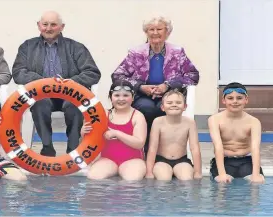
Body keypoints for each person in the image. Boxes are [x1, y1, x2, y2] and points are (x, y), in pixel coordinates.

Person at [12, 11, 101, 157]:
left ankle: (73, 149)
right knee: (39, 105)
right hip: (41, 95)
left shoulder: (76, 47)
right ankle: (47, 148)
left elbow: (92, 73)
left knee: (74, 106)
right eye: (45, 24)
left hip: (70, 95)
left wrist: (73, 82)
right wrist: (44, 82)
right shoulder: (27, 47)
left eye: (53, 24)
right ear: (39, 26)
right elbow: (18, 72)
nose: (49, 28)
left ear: (61, 27)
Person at [111, 16, 200, 155]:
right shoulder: (136, 52)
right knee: (146, 108)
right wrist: (141, 86)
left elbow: (193, 76)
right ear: (146, 32)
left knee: (164, 108)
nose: (155, 32)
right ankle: (145, 151)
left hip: (169, 95)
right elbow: (117, 75)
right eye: (151, 29)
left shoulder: (177, 52)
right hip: (142, 95)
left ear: (167, 32)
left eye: (159, 29)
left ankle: (163, 153)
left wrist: (168, 85)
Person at [81, 81, 148, 180]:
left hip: (133, 160)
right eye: (117, 95)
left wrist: (117, 133)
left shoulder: (138, 116)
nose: (121, 99)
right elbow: (90, 140)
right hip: (107, 159)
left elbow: (139, 143)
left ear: (133, 97)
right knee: (94, 177)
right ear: (110, 97)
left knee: (132, 179)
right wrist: (83, 132)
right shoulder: (103, 115)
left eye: (126, 95)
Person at [208, 82, 265, 184]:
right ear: (223, 100)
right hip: (225, 161)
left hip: (246, 160)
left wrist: (256, 174)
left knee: (257, 182)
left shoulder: (254, 122)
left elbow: (255, 148)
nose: (235, 101)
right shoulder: (214, 120)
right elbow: (218, 146)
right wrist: (221, 174)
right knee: (222, 183)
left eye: (239, 98)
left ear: (246, 100)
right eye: (230, 98)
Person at [145, 90, 202, 181]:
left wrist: (198, 172)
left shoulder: (190, 123)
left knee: (186, 179)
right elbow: (152, 148)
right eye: (169, 103)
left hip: (182, 160)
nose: (174, 105)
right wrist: (149, 172)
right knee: (164, 179)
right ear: (163, 107)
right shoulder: (158, 122)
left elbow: (195, 148)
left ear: (185, 107)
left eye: (178, 102)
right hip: (161, 160)